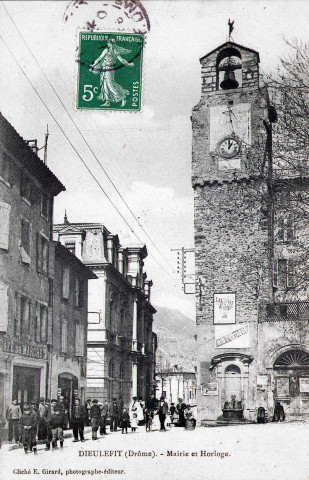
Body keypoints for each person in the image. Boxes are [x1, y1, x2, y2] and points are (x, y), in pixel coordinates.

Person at [89, 37, 134, 107]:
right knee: (105, 85)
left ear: (111, 44)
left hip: (110, 70)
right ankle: (107, 102)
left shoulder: (115, 52)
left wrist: (128, 64)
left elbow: (122, 60)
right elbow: (100, 58)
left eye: (108, 43)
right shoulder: (107, 50)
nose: (107, 44)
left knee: (110, 85)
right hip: (104, 69)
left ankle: (123, 97)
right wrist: (93, 65)